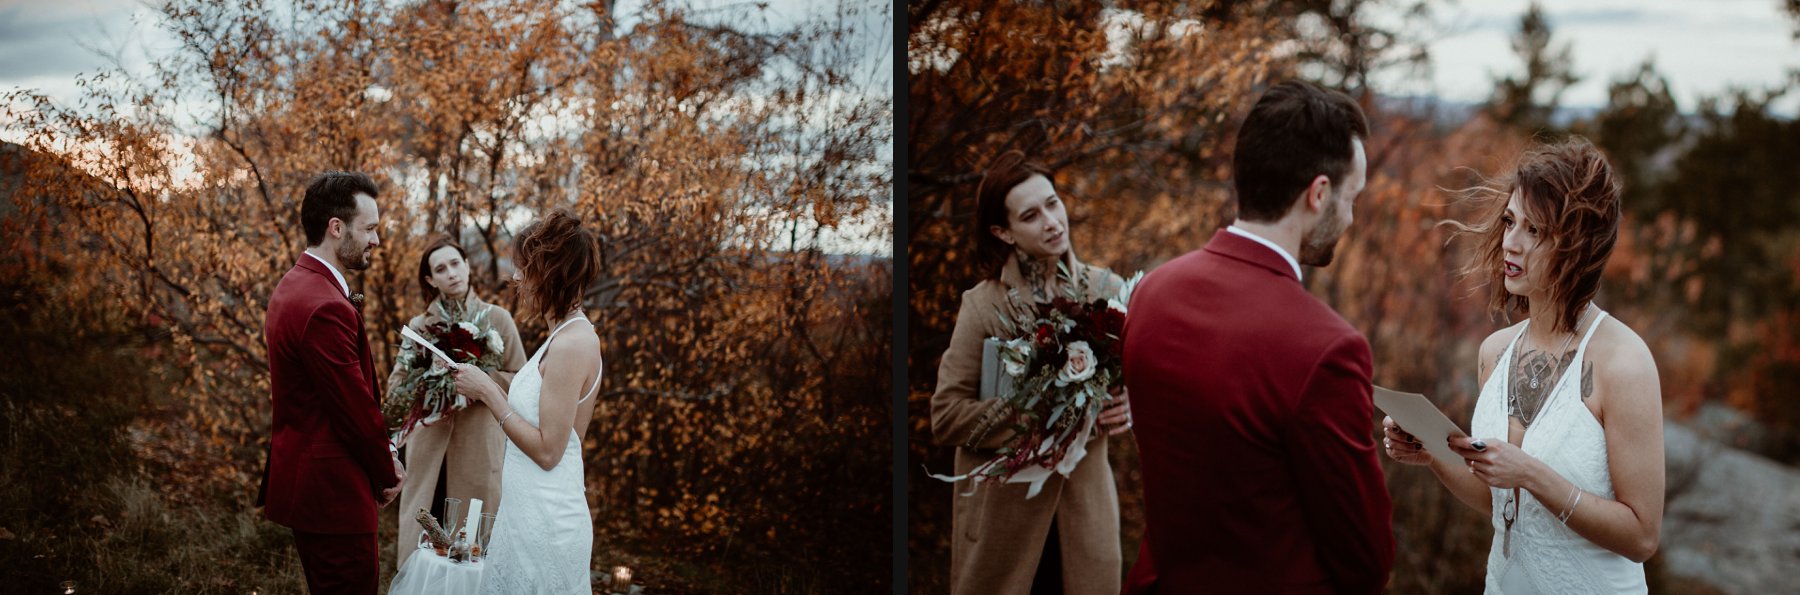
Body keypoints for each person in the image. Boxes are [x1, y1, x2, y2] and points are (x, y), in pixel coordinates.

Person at [1121, 80, 1393, 594]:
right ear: (1318, 194)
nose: (1351, 217)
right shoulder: (1326, 347)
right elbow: (1365, 559)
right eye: (1350, 198)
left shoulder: (1152, 293)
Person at [1384, 136, 1663, 593]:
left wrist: (1532, 474)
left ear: (1577, 245)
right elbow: (1500, 504)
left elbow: (1643, 535)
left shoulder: (1623, 364)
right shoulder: (1494, 352)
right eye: (1510, 222)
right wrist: (1432, 453)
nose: (1510, 243)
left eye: (1534, 231)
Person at [929, 150, 1133, 594]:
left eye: (1053, 203)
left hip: (1085, 520)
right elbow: (945, 416)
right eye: (1031, 215)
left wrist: (1129, 404)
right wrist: (1043, 416)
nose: (1052, 221)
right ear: (1004, 232)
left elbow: (1139, 383)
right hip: (1006, 527)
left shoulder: (1108, 291)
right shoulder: (982, 306)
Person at [260, 171, 405, 594]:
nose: (376, 241)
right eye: (370, 229)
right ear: (336, 227)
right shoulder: (324, 305)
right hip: (334, 494)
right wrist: (387, 470)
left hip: (313, 490)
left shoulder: (294, 285)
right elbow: (354, 408)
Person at [450, 208, 604, 594]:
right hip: (523, 513)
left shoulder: (573, 344)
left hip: (547, 524)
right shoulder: (559, 338)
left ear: (551, 273)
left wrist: (488, 392)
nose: (516, 277)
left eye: (524, 267)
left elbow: (551, 451)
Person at [389, 237, 527, 567]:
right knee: (423, 549)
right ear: (429, 280)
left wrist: (481, 381)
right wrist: (429, 377)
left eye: (455, 263)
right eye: (440, 269)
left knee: (471, 550)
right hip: (429, 450)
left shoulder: (498, 320)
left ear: (467, 265)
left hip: (479, 448)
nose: (451, 273)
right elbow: (396, 389)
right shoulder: (419, 327)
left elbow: (521, 384)